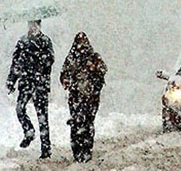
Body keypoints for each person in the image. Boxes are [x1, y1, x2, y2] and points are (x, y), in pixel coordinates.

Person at [6, 19, 54, 159]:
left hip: (40, 84)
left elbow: (50, 60)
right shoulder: (22, 42)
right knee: (20, 109)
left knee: (42, 116)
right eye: (30, 24)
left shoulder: (45, 41)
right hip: (26, 82)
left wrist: (38, 58)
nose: (32, 27)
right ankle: (29, 131)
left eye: (35, 24)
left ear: (39, 25)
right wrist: (11, 80)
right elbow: (15, 63)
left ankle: (46, 148)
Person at [60, 32, 107, 163]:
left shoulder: (93, 57)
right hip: (75, 98)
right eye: (79, 42)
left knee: (88, 123)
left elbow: (103, 69)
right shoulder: (71, 58)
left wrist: (94, 68)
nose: (81, 45)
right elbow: (64, 73)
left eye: (83, 42)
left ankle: (86, 150)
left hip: (91, 98)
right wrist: (66, 80)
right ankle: (77, 151)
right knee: (76, 124)